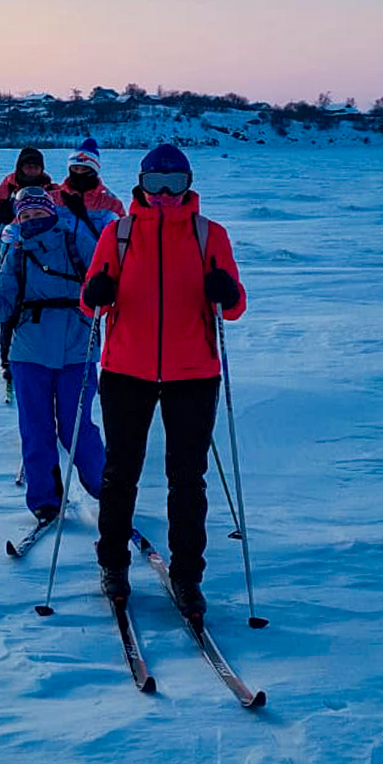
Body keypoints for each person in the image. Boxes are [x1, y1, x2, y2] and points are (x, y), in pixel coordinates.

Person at [79, 144, 246, 622]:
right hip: (125, 370)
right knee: (120, 473)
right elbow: (90, 306)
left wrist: (226, 292)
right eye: (155, 184)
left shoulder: (209, 235)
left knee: (187, 480)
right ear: (141, 185)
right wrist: (95, 294)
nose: (166, 194)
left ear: (189, 184)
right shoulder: (119, 234)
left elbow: (234, 307)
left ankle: (188, 575)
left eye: (175, 183)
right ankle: (113, 563)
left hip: (193, 373)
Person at [0, 186, 104, 520]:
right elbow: (1, 312)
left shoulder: (76, 239)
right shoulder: (14, 251)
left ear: (51, 211)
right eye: (25, 215)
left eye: (37, 213)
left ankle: (107, 488)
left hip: (77, 348)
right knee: (35, 427)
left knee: (76, 427)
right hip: (28, 352)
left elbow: (103, 282)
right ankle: (44, 499)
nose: (31, 220)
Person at [0, 148, 56, 392]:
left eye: (36, 166)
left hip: (41, 254)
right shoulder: (9, 184)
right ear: (20, 167)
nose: (32, 170)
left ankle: (41, 355)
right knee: (10, 307)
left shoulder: (51, 188)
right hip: (10, 247)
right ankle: (7, 360)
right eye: (28, 166)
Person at [51, 138, 126, 234]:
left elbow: (121, 236)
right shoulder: (54, 198)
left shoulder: (111, 203)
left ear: (95, 171)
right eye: (75, 168)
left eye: (85, 169)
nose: (79, 173)